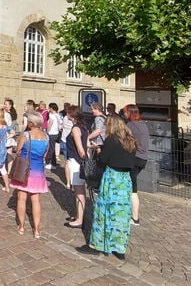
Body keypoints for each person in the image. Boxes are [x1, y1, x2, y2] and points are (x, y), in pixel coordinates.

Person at [77, 115, 137, 260]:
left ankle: (97, 245)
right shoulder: (131, 140)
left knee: (103, 210)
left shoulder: (112, 139)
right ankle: (119, 247)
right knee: (121, 213)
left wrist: (99, 151)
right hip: (125, 179)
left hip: (112, 177)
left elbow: (103, 159)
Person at [10, 111, 49, 238]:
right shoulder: (46, 137)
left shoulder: (26, 135)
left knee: (22, 198)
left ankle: (21, 226)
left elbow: (18, 151)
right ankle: (37, 229)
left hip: (25, 170)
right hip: (38, 171)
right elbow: (45, 154)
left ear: (31, 123)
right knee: (36, 200)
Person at [124, 104, 150, 226]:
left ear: (129, 113)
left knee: (132, 189)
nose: (123, 114)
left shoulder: (130, 125)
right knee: (130, 186)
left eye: (125, 112)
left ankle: (135, 218)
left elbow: (124, 141)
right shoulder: (143, 124)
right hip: (143, 159)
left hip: (134, 158)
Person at [64, 105, 89, 228]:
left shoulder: (75, 129)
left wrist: (83, 162)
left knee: (79, 191)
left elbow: (80, 149)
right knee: (78, 190)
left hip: (76, 162)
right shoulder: (83, 127)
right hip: (78, 161)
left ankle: (80, 219)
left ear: (72, 116)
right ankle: (78, 214)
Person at [45, 102, 61, 170]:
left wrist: (47, 132)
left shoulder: (51, 115)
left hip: (51, 133)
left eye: (49, 107)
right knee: (53, 149)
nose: (48, 109)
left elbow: (50, 124)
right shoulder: (58, 115)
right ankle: (53, 164)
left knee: (50, 149)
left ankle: (47, 162)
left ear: (52, 108)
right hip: (56, 133)